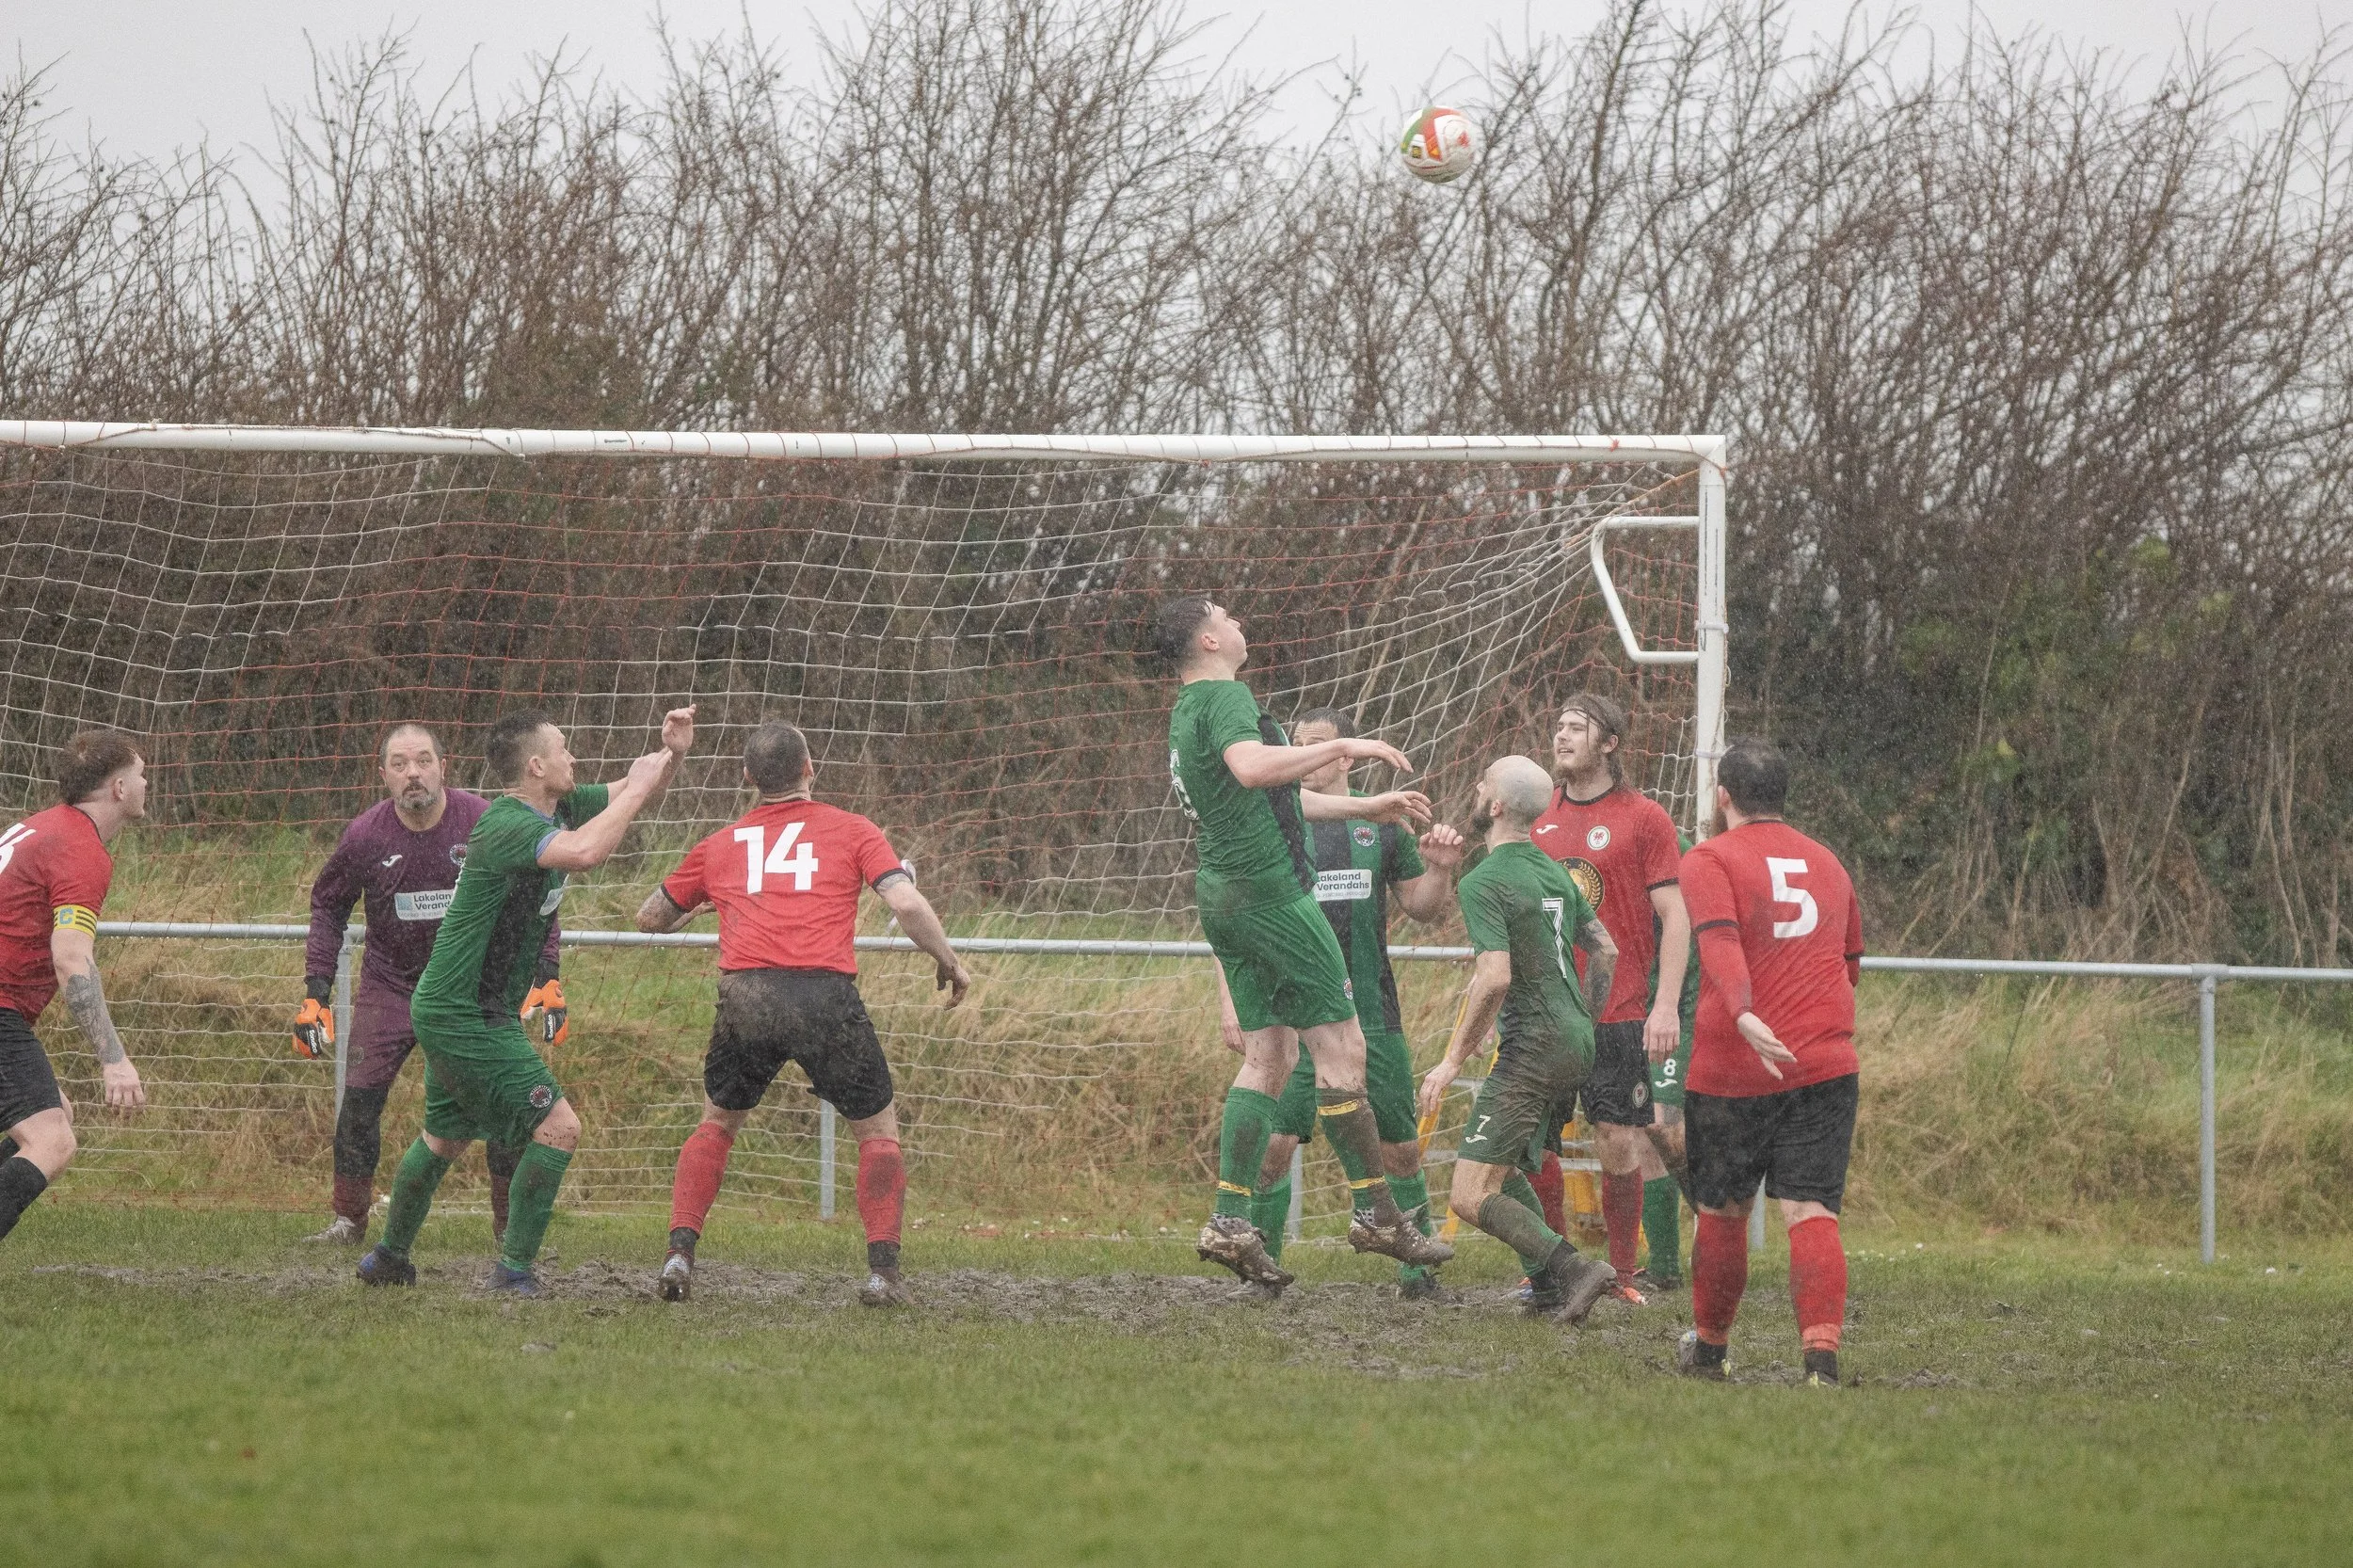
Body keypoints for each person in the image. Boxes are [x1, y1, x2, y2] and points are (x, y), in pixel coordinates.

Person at [1158, 594, 1453, 1289]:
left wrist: (1364, 804)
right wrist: (1345, 745)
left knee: (1268, 1056)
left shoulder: (1184, 711)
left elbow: (1269, 800)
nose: (1237, 619)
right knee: (1343, 1050)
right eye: (1224, 614)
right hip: (1270, 894)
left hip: (1223, 893)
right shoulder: (1227, 696)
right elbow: (1256, 771)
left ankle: (1229, 1220)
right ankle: (1376, 1214)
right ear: (1206, 640)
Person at [356, 704, 694, 1294]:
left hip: (471, 1011)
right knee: (559, 1127)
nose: (573, 757)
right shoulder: (506, 824)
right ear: (536, 765)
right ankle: (513, 1272)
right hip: (463, 1014)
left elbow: (629, 788)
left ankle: (387, 1259)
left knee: (445, 1137)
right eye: (563, 747)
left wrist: (673, 753)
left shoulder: (555, 805)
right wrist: (637, 789)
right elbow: (588, 853)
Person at [637, 719, 970, 1307]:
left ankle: (678, 1256)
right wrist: (948, 959)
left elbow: (650, 917)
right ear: (810, 768)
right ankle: (881, 1274)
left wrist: (703, 905)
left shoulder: (719, 844)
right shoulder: (854, 830)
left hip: (748, 996)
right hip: (824, 995)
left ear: (747, 777)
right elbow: (905, 900)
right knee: (877, 1131)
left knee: (717, 1123)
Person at [295, 723, 561, 1245]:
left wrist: (545, 976)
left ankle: (507, 1227)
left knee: (506, 1104)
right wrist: (315, 992)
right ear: (383, 776)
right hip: (390, 987)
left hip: (470, 994)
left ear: (444, 765)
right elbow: (326, 906)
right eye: (399, 764)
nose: (412, 773)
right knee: (360, 1100)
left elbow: (538, 900)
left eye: (422, 761)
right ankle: (349, 1221)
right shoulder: (365, 836)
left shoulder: (485, 822)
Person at [1237, 707, 1465, 1300]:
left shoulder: (1382, 823)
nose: (1306, 757)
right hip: (1294, 1016)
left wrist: (1441, 870)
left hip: (1371, 1012)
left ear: (1344, 756)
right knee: (1273, 1149)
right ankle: (1262, 1273)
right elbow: (1239, 915)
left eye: (1316, 746)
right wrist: (1233, 1003)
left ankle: (1418, 1276)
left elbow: (1420, 905)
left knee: (1401, 1150)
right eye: (1298, 746)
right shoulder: (1277, 821)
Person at [1673, 738, 1864, 1386]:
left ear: (1721, 795)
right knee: (1811, 1213)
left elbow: (1720, 941)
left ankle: (1710, 1351)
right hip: (1825, 1064)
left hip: (1733, 1067)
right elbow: (1851, 962)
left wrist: (1747, 1012)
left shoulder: (1708, 857)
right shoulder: (1830, 863)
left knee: (1722, 1211)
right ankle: (1821, 1363)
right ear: (1784, 796)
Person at [1415, 755, 1618, 1321]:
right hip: (1574, 1039)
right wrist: (1582, 1018)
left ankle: (1576, 1269)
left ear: (1496, 806)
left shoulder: (1485, 880)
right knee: (1504, 1166)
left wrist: (1451, 1060)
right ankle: (1548, 1284)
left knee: (1469, 1195)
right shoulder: (1554, 871)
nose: (1476, 790)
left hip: (1533, 1048)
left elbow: (1495, 975)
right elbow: (1606, 949)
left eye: (1482, 784)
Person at [1527, 693, 1692, 1304]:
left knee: (1618, 1139)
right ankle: (1551, 1266)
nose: (1563, 734)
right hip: (1546, 1010)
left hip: (1618, 1011)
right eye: (1559, 724)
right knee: (1536, 1141)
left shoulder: (1643, 818)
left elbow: (1675, 915)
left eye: (1578, 726)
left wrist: (1667, 1004)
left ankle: (1623, 1275)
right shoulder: (1534, 817)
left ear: (1610, 742)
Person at [0, 730, 151, 1245]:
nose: (146, 782)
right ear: (118, 789)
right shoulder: (80, 850)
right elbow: (71, 959)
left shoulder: (39, 828)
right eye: (140, 773)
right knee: (52, 1142)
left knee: (51, 1114)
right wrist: (113, 1058)